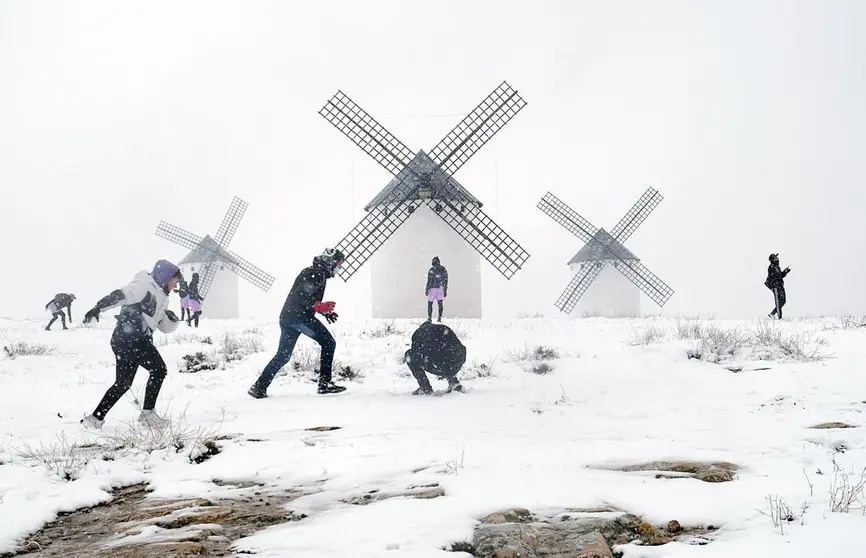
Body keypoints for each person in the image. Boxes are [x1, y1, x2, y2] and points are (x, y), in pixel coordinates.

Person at [79, 260, 183, 429]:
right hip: (131, 336)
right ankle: (148, 415)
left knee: (123, 383)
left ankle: (94, 419)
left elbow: (161, 325)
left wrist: (172, 321)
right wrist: (98, 307)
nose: (175, 285)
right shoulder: (144, 285)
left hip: (127, 339)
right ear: (165, 277)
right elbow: (121, 295)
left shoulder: (162, 297)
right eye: (174, 281)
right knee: (159, 370)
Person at [248, 248, 347, 398]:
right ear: (331, 262)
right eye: (339, 264)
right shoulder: (317, 273)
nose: (339, 268)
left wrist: (323, 311)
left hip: (288, 318)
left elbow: (304, 299)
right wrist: (318, 306)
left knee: (283, 355)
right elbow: (301, 295)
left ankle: (259, 387)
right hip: (299, 318)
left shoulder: (314, 272)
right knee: (328, 343)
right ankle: (324, 384)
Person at [403, 321, 466, 395]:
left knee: (410, 355)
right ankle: (454, 382)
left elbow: (415, 352)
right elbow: (459, 347)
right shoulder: (442, 328)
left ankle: (425, 388)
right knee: (445, 354)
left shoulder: (418, 333)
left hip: (437, 361)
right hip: (457, 361)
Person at [765, 253, 791, 319]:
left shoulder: (777, 267)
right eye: (775, 258)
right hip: (776, 286)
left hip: (780, 285)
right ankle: (779, 317)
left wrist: (785, 272)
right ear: (772, 260)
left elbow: (780, 276)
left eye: (777, 258)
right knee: (778, 301)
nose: (777, 259)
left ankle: (772, 313)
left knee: (783, 301)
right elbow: (772, 277)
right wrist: (775, 284)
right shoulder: (771, 267)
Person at [425, 256, 448, 322]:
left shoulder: (431, 270)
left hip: (432, 289)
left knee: (430, 304)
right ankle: (439, 318)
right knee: (440, 304)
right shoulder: (443, 269)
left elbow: (428, 280)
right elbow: (446, 280)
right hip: (440, 289)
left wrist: (426, 289)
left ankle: (429, 318)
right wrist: (445, 290)